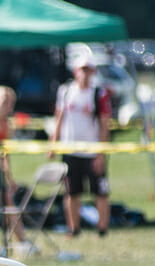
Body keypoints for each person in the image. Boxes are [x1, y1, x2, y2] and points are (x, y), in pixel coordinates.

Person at [49, 53, 111, 238]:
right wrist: (54, 143)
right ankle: (73, 228)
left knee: (100, 191)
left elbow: (104, 124)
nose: (84, 73)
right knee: (71, 192)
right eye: (82, 69)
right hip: (71, 150)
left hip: (92, 151)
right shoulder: (66, 91)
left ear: (93, 72)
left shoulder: (98, 93)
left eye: (88, 70)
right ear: (76, 71)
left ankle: (102, 228)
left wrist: (100, 153)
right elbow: (59, 117)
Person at [0, 85, 36, 253]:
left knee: (8, 201)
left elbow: (5, 155)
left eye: (11, 103)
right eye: (5, 102)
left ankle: (22, 241)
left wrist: (9, 178)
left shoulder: (6, 125)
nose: (8, 107)